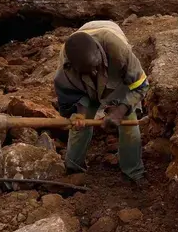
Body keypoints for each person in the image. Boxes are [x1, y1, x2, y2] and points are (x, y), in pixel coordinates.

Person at [54, 20, 149, 184]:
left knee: (130, 125)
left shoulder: (118, 50)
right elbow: (70, 95)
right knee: (79, 128)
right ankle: (73, 169)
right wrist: (79, 115)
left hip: (117, 80)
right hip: (84, 87)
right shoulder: (66, 66)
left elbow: (140, 86)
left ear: (100, 51)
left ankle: (133, 172)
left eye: (96, 67)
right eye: (87, 71)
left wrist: (119, 111)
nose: (93, 73)